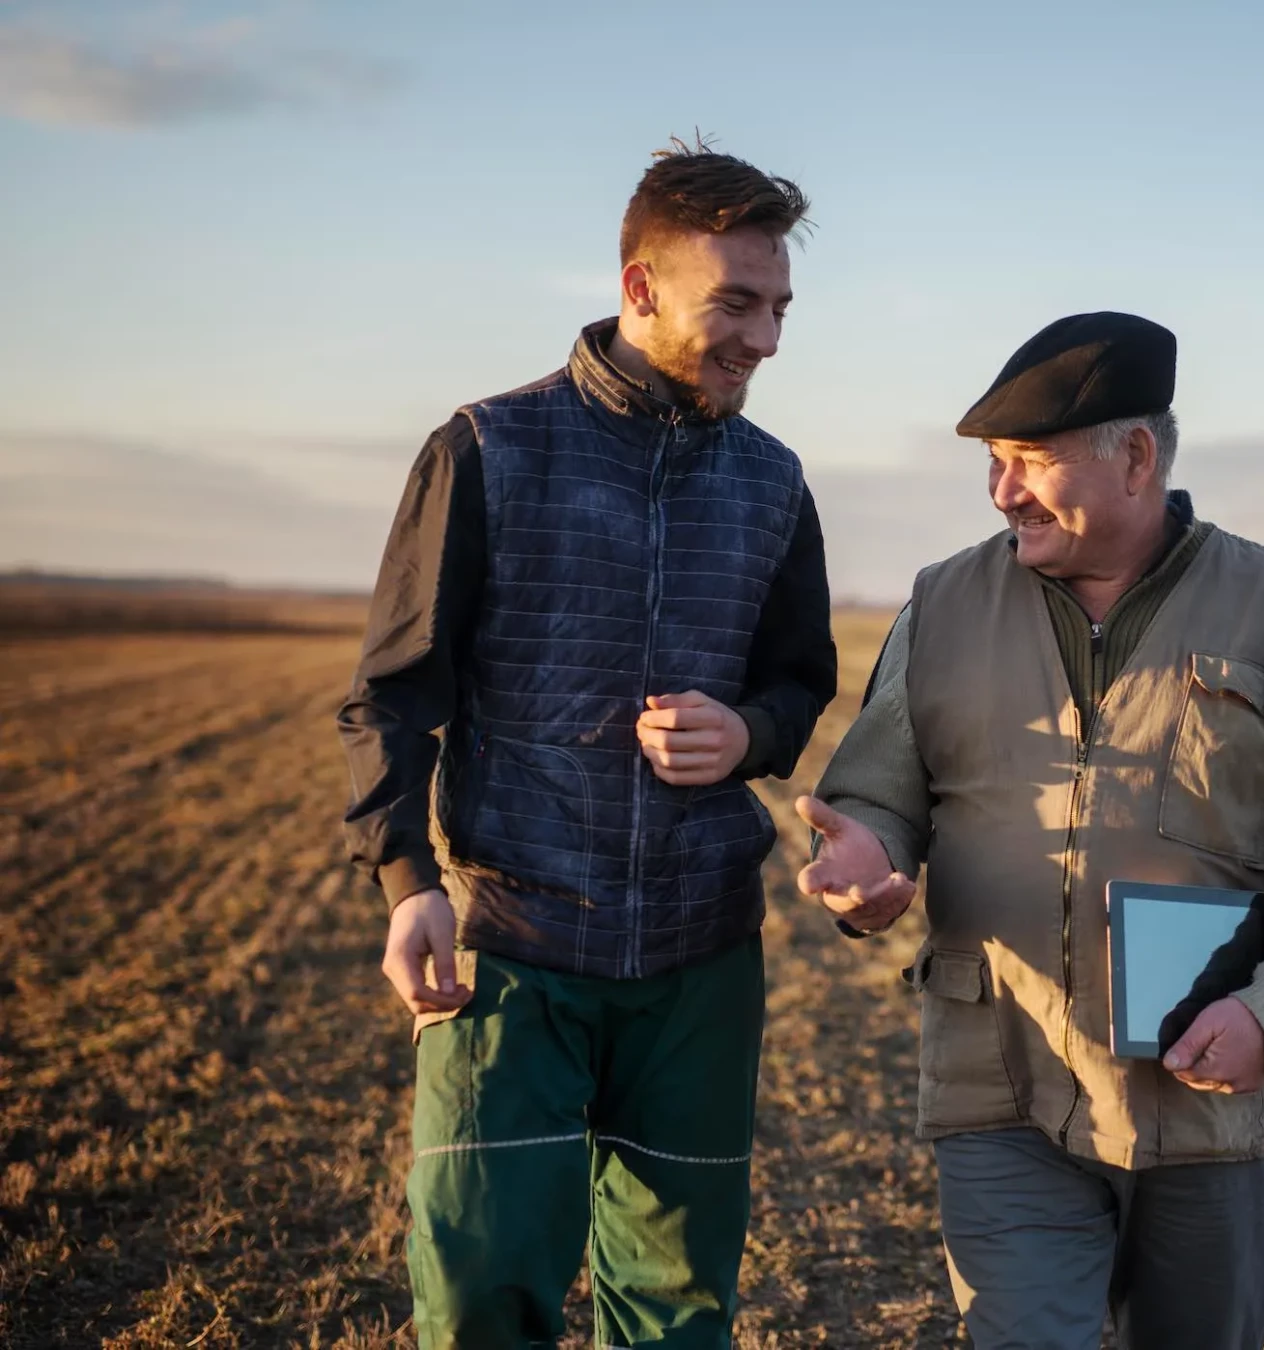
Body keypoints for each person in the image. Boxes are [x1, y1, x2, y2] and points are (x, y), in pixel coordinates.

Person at [795, 312, 1264, 1348]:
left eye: (1030, 462)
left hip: (1196, 1091)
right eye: (993, 464)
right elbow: (879, 792)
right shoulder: (943, 605)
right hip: (999, 1074)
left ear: (1134, 458)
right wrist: (866, 859)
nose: (1002, 493)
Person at [336, 143, 836, 1349]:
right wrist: (409, 884)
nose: (765, 338)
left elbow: (800, 681)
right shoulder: (486, 449)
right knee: (481, 1298)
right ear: (641, 285)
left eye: (779, 308)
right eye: (737, 304)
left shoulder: (775, 484)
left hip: (700, 963)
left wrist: (750, 731)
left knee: (677, 1311)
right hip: (514, 950)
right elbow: (392, 695)